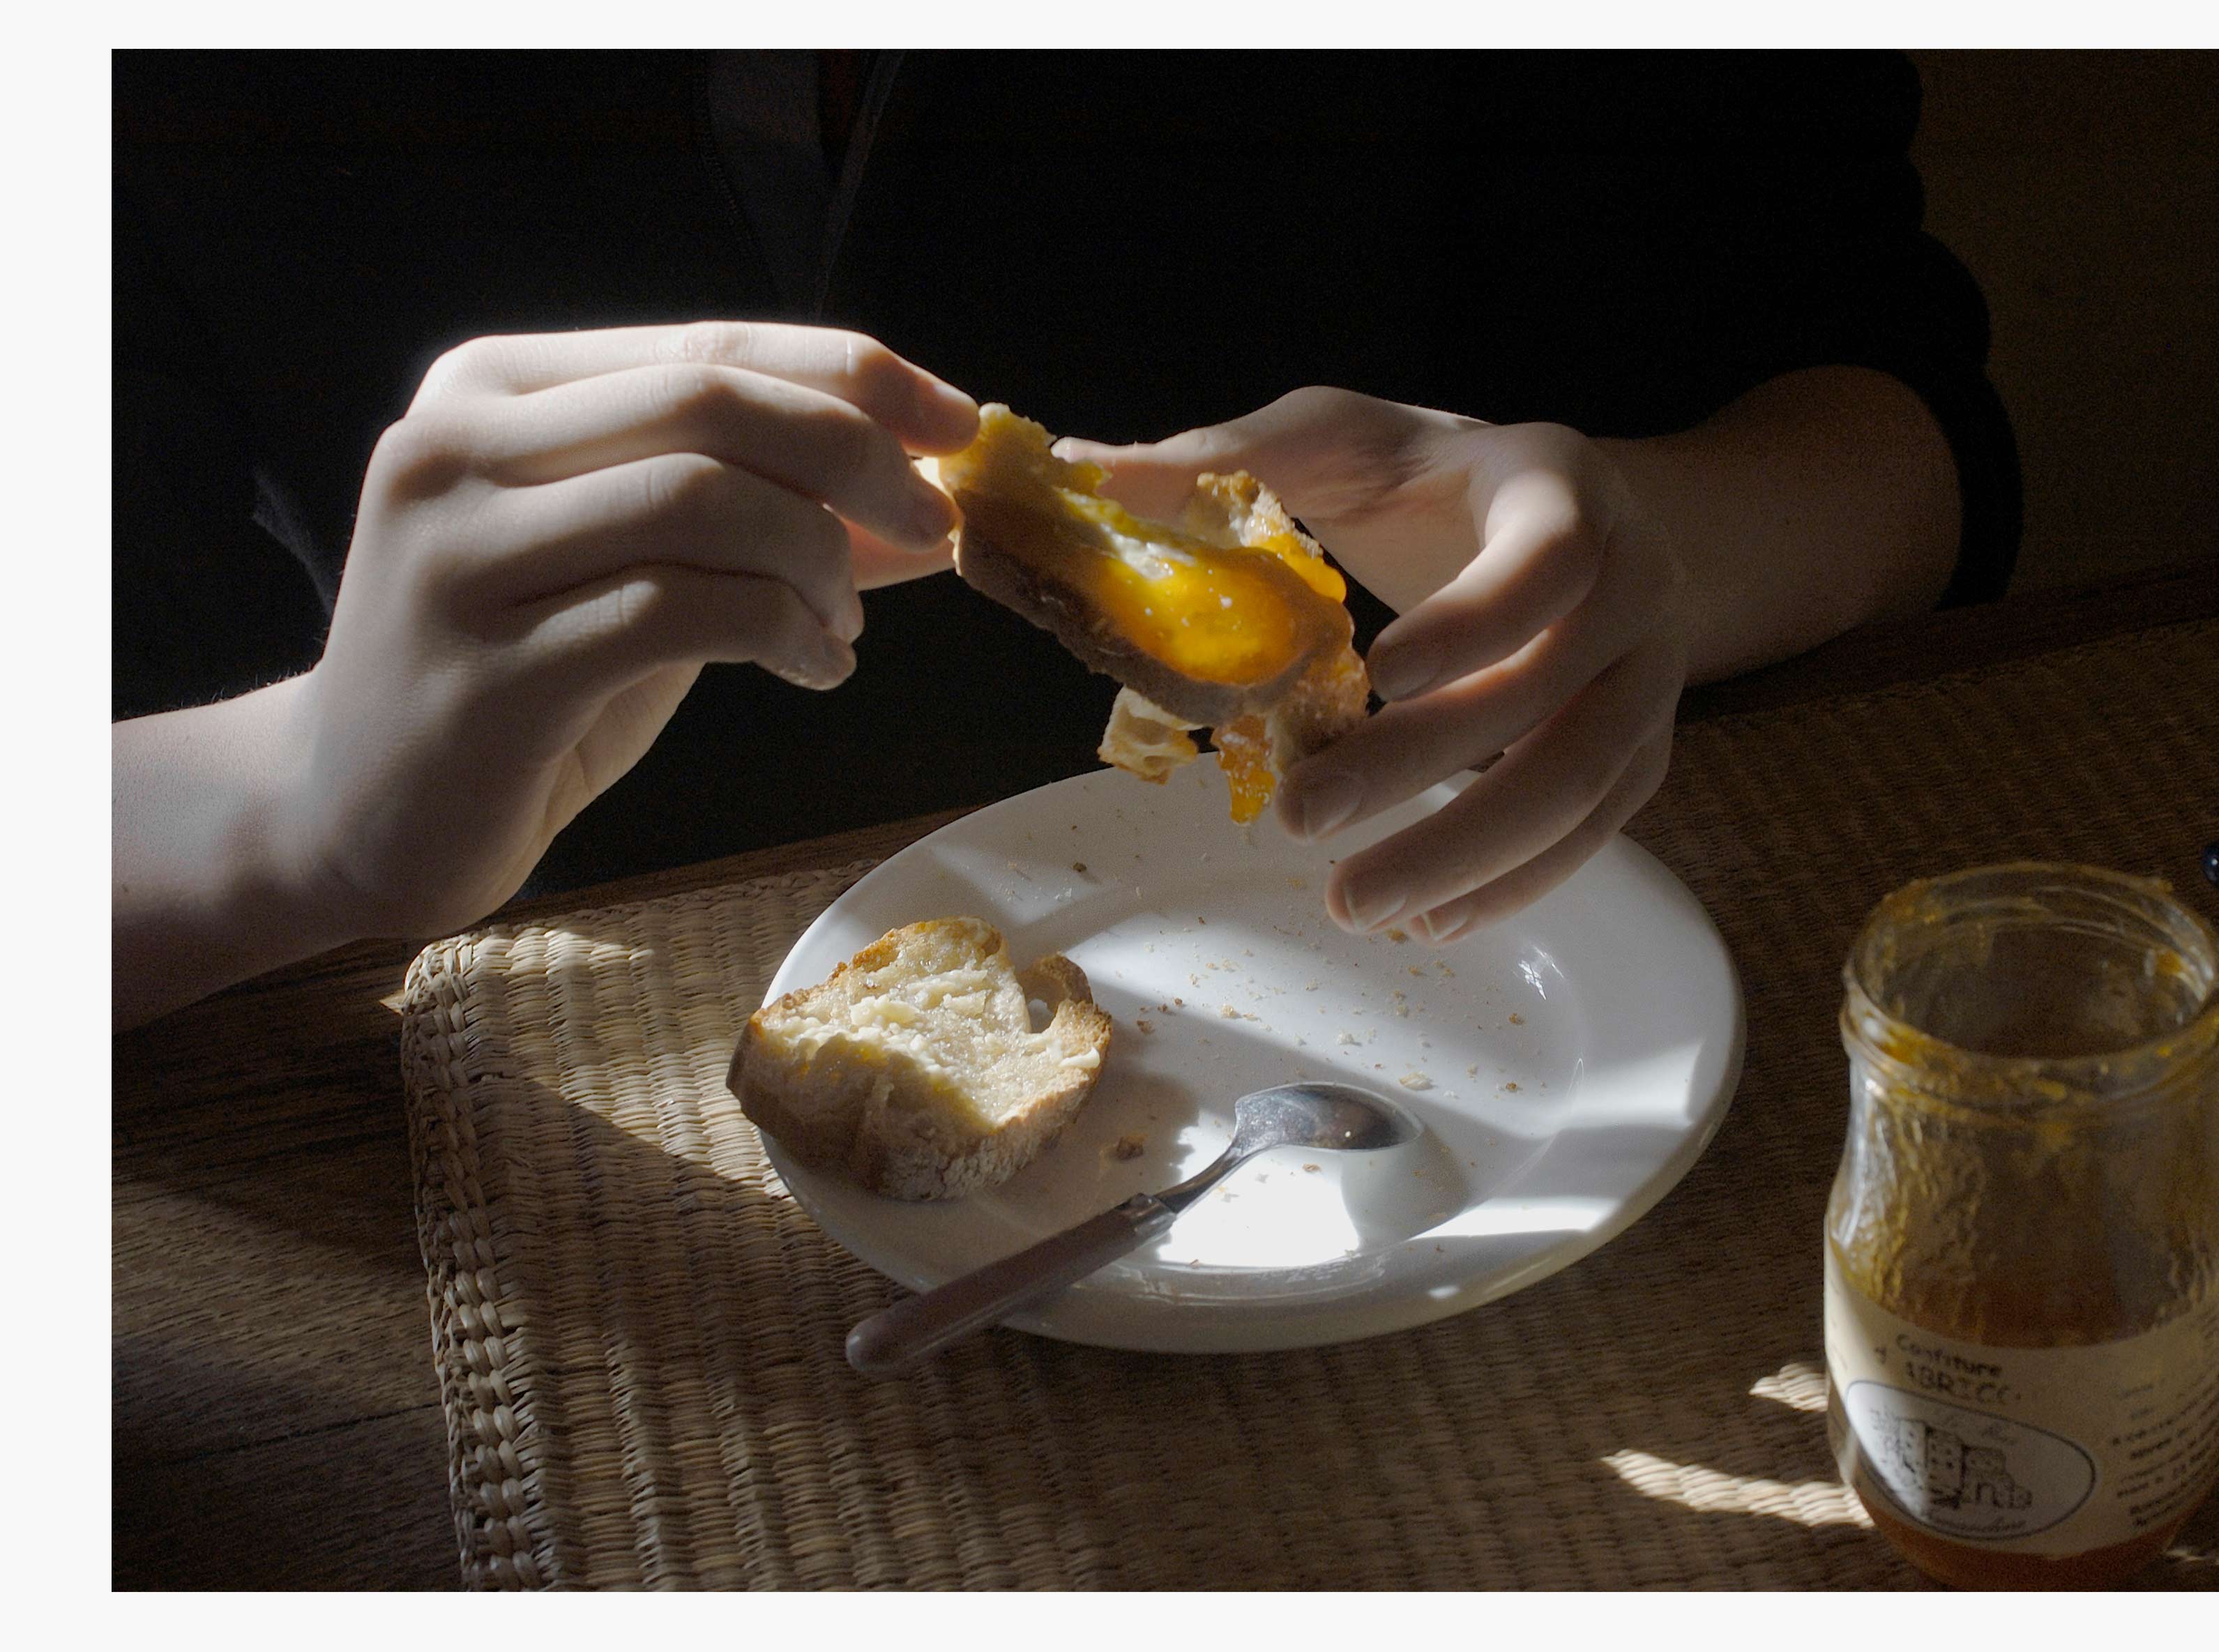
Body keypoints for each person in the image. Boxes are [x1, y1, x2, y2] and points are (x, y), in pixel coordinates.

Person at [113, 51, 2017, 1031]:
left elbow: (1897, 426)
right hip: (481, 1148)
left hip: (1508, 1028)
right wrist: (284, 811)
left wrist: (1652, 561)